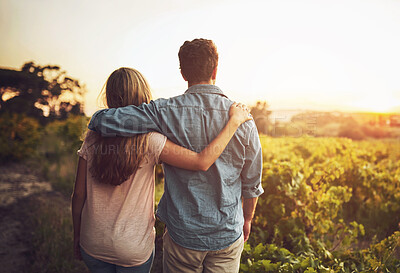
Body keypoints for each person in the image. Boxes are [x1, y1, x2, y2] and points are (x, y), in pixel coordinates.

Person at [88, 39, 264, 273]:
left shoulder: (163, 111)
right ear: (215, 70)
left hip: (182, 234)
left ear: (183, 73)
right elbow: (252, 183)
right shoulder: (243, 119)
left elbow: (102, 120)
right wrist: (248, 219)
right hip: (227, 235)